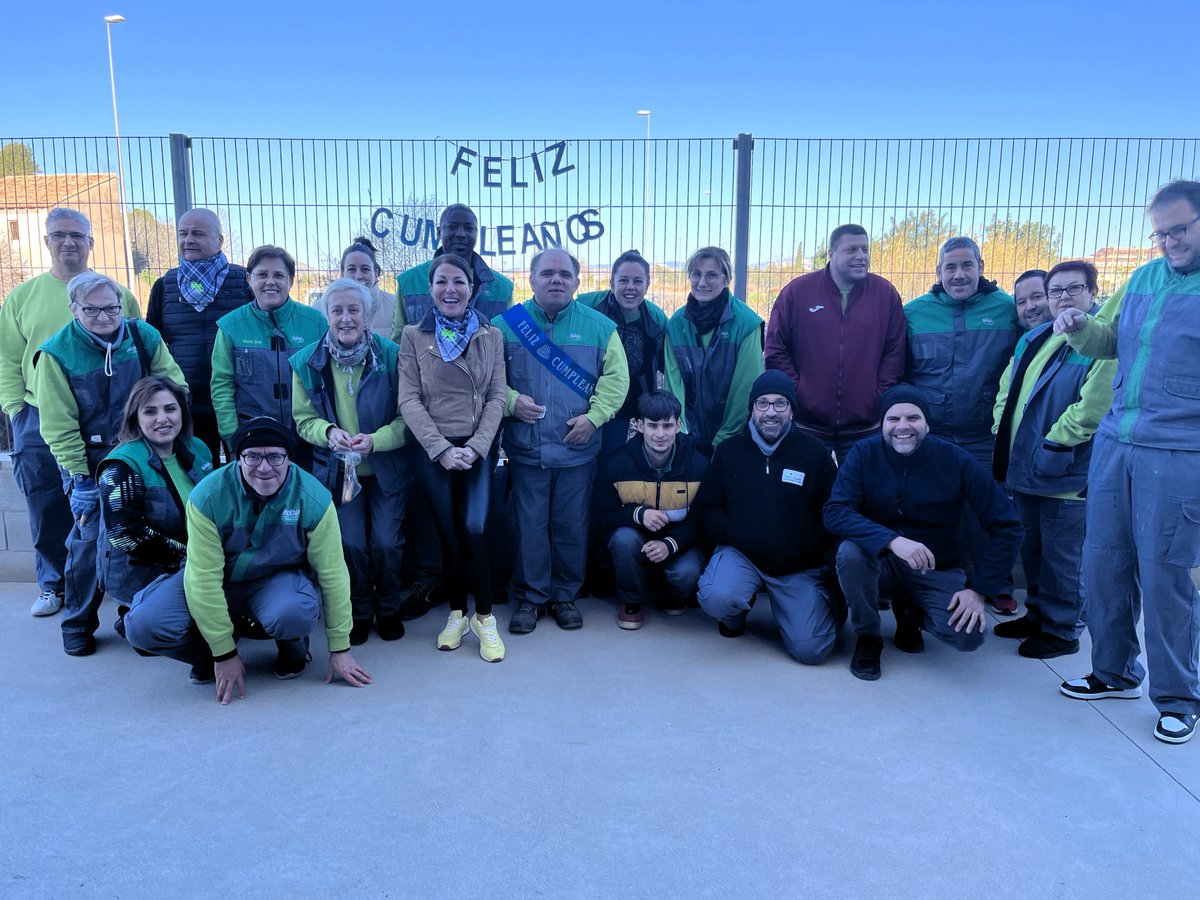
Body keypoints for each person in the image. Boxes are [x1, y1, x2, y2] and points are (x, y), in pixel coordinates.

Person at [1054, 179, 1200, 745]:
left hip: (1181, 454)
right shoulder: (1143, 278)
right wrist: (1079, 328)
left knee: (1167, 573)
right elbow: (1109, 340)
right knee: (1103, 562)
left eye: (1179, 230)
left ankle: (1179, 695)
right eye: (1160, 233)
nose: (1169, 243)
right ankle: (1113, 672)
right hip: (1116, 444)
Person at [124, 417, 372, 702]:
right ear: (236, 459)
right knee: (142, 625)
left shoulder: (314, 499)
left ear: (289, 459)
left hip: (273, 580)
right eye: (252, 456)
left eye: (275, 457)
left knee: (295, 611)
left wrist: (340, 649)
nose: (264, 468)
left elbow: (333, 573)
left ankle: (293, 651)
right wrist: (223, 651)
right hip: (219, 577)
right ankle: (209, 654)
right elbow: (203, 578)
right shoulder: (207, 496)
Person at [33, 272, 187, 657]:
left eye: (112, 307)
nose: (105, 317)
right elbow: (57, 423)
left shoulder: (142, 336)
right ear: (74, 310)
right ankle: (78, 624)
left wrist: (165, 433)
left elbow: (174, 384)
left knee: (143, 535)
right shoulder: (55, 354)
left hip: (143, 455)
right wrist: (81, 479)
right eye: (93, 309)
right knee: (88, 545)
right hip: (91, 461)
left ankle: (135, 613)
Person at [824, 385, 1022, 681]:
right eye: (893, 419)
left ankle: (911, 612)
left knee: (968, 636)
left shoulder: (956, 460)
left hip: (936, 567)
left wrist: (979, 590)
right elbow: (836, 510)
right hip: (881, 562)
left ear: (927, 423)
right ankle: (868, 636)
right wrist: (892, 540)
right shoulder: (864, 454)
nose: (903, 427)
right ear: (881, 424)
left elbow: (1008, 525)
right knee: (849, 553)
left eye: (913, 418)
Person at [0, 208, 139, 617]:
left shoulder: (115, 292)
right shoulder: (22, 297)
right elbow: (8, 359)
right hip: (39, 415)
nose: (68, 242)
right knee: (47, 503)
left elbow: (136, 350)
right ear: (46, 241)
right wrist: (16, 411)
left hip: (107, 418)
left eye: (78, 235)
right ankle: (53, 585)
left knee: (116, 501)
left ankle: (110, 581)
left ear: (90, 242)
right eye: (59, 235)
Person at [493, 248, 629, 634]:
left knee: (570, 525)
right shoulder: (503, 326)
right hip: (527, 449)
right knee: (529, 526)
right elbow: (483, 379)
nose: (556, 279)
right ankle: (530, 599)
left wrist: (595, 417)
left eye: (565, 274)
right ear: (531, 279)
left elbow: (616, 380)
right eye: (548, 273)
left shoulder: (601, 328)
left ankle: (564, 596)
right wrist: (513, 401)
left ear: (577, 282)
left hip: (577, 448)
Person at [390, 204, 515, 619]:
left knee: (477, 526)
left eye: (458, 281)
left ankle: (483, 609)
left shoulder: (493, 325)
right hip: (433, 443)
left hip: (478, 441)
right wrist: (439, 447)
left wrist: (479, 446)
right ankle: (450, 604)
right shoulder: (411, 327)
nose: (450, 288)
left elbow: (498, 392)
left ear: (472, 287)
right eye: (441, 281)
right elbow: (408, 394)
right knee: (440, 528)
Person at [992, 261, 1113, 659]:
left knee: (1063, 556)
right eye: (1055, 291)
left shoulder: (1101, 342)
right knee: (1033, 549)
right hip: (1025, 463)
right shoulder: (1036, 337)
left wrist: (1057, 443)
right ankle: (1038, 615)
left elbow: (1093, 404)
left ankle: (1062, 630)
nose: (1063, 298)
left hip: (1066, 466)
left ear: (1093, 293)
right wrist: (1000, 427)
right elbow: (1008, 388)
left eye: (1073, 289)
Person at [904, 236, 1021, 614]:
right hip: (932, 433)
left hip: (985, 434)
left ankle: (997, 583)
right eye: (950, 267)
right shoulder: (915, 314)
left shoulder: (1007, 310)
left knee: (991, 508)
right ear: (938, 273)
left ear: (980, 267)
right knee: (929, 506)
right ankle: (929, 577)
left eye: (966, 266)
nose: (959, 274)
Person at [691, 370, 839, 662]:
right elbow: (707, 507)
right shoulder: (729, 451)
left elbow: (834, 510)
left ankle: (814, 608)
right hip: (743, 556)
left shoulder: (815, 453)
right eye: (763, 403)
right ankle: (734, 616)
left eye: (780, 404)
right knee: (716, 596)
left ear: (792, 410)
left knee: (812, 651)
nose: (771, 412)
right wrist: (731, 532)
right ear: (752, 409)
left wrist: (812, 546)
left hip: (798, 567)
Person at [291, 278, 409, 646]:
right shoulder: (307, 362)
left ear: (367, 313)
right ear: (325, 315)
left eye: (353, 310)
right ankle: (358, 610)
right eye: (337, 310)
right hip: (338, 473)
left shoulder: (393, 356)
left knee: (387, 543)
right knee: (351, 544)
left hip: (387, 468)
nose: (345, 318)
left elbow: (410, 417)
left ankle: (388, 607)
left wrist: (377, 441)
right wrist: (327, 433)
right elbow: (303, 418)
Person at [765, 224, 906, 460]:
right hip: (807, 424)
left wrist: (878, 393)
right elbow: (776, 349)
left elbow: (895, 351)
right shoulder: (797, 292)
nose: (861, 256)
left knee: (864, 493)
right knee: (805, 492)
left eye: (865, 249)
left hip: (865, 425)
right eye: (851, 250)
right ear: (831, 254)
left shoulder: (884, 293)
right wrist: (799, 392)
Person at [97, 376, 213, 636]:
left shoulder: (199, 449)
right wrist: (192, 558)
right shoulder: (121, 465)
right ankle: (134, 616)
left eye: (170, 408)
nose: (163, 419)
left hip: (196, 564)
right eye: (150, 411)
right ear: (135, 417)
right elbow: (125, 536)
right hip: (148, 573)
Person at [592, 390, 708, 630]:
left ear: (678, 426)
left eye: (667, 426)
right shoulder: (616, 464)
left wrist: (670, 543)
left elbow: (703, 519)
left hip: (679, 543)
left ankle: (674, 595)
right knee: (623, 540)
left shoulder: (698, 465)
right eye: (653, 425)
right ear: (638, 425)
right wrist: (637, 513)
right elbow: (599, 519)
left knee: (686, 573)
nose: (660, 434)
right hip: (635, 541)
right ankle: (631, 599)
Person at [146, 208, 252, 459]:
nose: (188, 240)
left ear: (219, 241)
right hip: (186, 401)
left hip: (237, 399)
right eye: (183, 233)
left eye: (198, 233)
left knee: (243, 468)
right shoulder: (165, 285)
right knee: (197, 471)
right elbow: (153, 343)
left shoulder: (245, 281)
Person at [210, 245, 326, 465]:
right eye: (262, 274)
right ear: (249, 279)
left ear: (291, 281)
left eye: (279, 275)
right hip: (254, 437)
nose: (270, 282)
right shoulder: (230, 327)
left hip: (307, 435)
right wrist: (232, 437)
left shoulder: (315, 323)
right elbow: (222, 386)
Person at [664, 246, 764, 458]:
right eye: (696, 274)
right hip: (690, 434)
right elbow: (674, 385)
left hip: (733, 436)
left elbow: (745, 387)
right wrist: (680, 433)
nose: (702, 282)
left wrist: (725, 438)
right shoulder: (676, 324)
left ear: (727, 278)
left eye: (711, 275)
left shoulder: (746, 324)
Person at [577, 249, 670, 454]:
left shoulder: (657, 318)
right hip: (590, 391)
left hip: (634, 394)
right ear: (612, 283)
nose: (630, 287)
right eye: (623, 280)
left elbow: (669, 363)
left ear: (647, 286)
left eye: (638, 281)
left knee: (614, 451)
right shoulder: (588, 305)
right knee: (584, 449)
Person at [318, 236, 396, 337]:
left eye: (365, 269)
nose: (358, 276)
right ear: (342, 274)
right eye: (351, 269)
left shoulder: (395, 306)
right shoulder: (319, 310)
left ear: (376, 274)